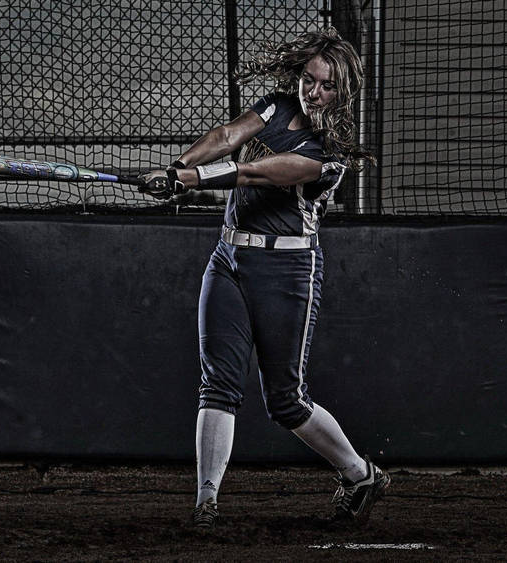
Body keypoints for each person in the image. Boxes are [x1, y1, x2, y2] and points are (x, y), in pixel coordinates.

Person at [141, 27, 390, 529]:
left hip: (288, 271)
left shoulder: (328, 153)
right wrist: (178, 166)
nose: (311, 90)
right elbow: (228, 137)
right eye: (307, 78)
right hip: (229, 259)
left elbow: (255, 172)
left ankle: (360, 474)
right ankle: (205, 502)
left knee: (286, 401)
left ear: (342, 93)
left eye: (324, 86)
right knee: (217, 384)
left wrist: (190, 182)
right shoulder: (276, 106)